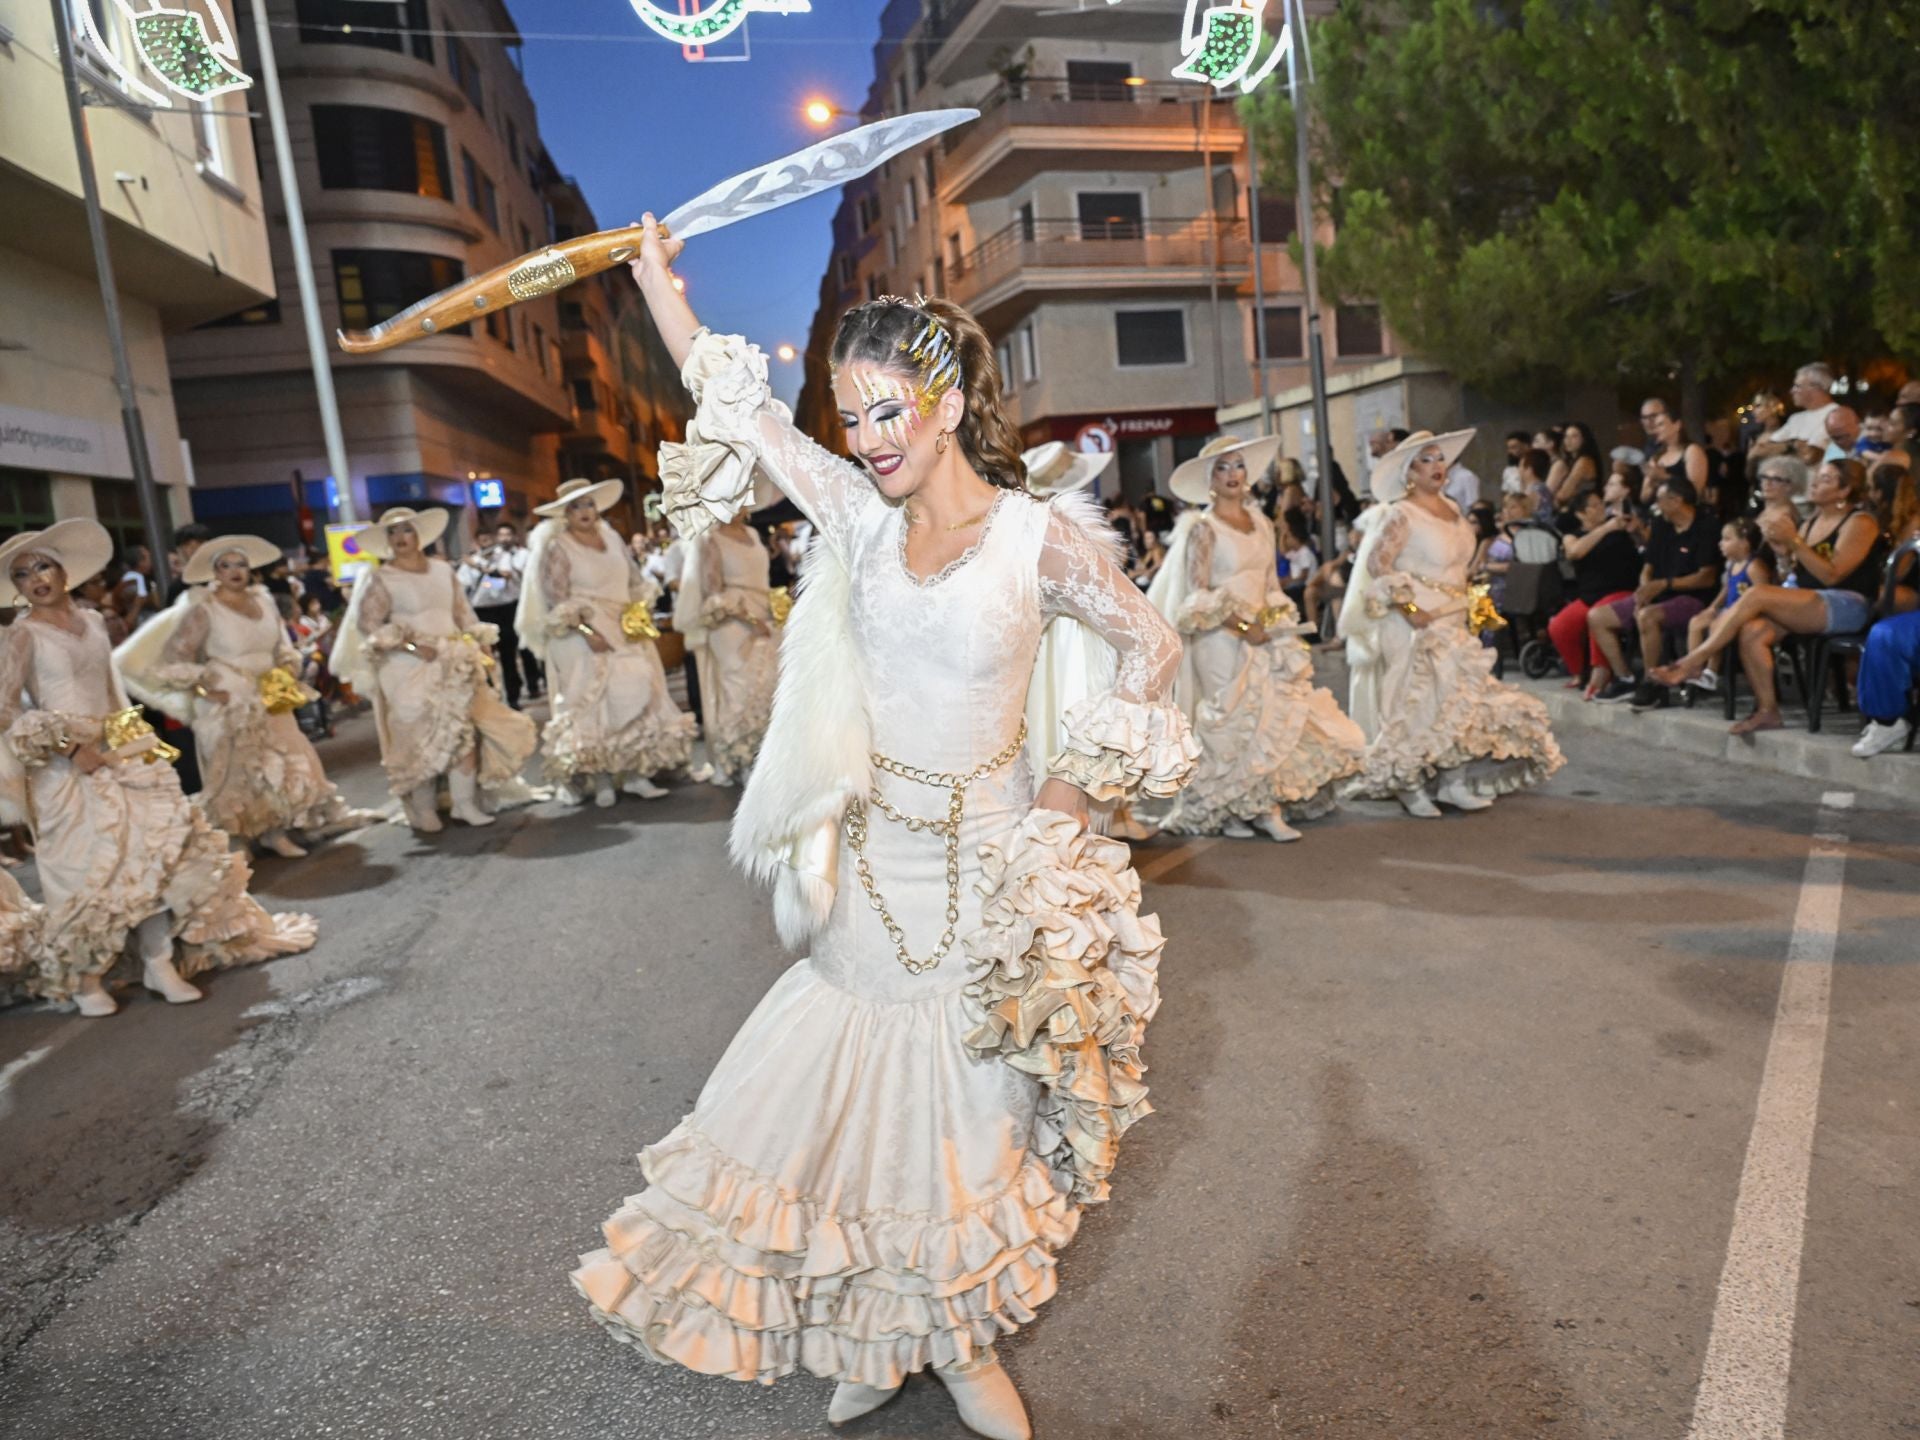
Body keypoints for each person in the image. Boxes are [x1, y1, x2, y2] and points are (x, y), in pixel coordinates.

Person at [568, 228, 1196, 1440]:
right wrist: (657, 286)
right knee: (863, 1116)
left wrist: (1070, 795)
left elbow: (1151, 644)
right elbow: (746, 418)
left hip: (994, 874)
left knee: (960, 1124)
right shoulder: (855, 517)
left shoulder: (1035, 536)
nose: (865, 436)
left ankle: (952, 1344)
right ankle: (888, 1338)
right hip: (871, 874)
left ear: (948, 403)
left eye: (886, 408)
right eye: (851, 414)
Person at [0, 520, 317, 1017]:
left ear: (64, 570)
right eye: (22, 573)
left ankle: (158, 961)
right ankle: (86, 980)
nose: (35, 578)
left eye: (43, 565)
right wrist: (67, 748)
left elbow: (111, 694)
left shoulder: (94, 621)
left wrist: (137, 745)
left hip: (120, 756)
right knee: (88, 875)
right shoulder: (21, 635)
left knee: (156, 859)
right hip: (66, 773)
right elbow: (7, 711)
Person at [1149, 436, 1364, 841]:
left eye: (1239, 466)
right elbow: (1196, 595)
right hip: (1219, 637)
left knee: (1268, 721)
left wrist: (1278, 618)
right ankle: (1230, 810)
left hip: (1263, 635)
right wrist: (1243, 627)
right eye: (1223, 468)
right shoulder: (1202, 529)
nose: (1233, 475)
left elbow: (1270, 582)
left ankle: (1264, 808)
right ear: (1210, 479)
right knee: (1229, 724)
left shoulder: (1263, 523)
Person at [1339, 430, 1563, 817]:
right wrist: (1410, 611)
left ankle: (1452, 780)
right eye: (1426, 460)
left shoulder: (1454, 508)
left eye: (1439, 458)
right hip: (1411, 622)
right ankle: (1409, 784)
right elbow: (1378, 565)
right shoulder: (1400, 513)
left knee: (1456, 699)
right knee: (1414, 700)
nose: (1437, 466)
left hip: (1452, 615)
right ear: (1409, 471)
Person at [116, 534, 373, 858]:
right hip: (229, 699)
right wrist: (204, 687)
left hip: (268, 694)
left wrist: (287, 666)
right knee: (237, 771)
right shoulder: (203, 609)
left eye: (241, 564)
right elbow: (174, 659)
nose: (235, 571)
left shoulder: (264, 602)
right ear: (215, 572)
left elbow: (281, 645)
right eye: (225, 566)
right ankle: (239, 837)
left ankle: (275, 831)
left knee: (281, 761)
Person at [332, 508, 538, 832]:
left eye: (407, 531)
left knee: (462, 731)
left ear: (419, 536)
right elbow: (369, 624)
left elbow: (462, 612)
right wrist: (412, 646)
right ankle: (425, 808)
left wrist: (480, 644)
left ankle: (463, 803)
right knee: (419, 734)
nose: (401, 538)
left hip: (451, 660)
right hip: (404, 666)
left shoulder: (443, 570)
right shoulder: (381, 577)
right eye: (393, 533)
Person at [1650, 459, 1884, 733]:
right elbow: (1794, 576)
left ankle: (1692, 662)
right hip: (1809, 600)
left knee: (1758, 593)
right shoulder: (1810, 523)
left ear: (1845, 491)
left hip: (1848, 603)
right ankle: (1767, 710)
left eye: (1826, 479)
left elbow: (1832, 575)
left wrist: (1794, 541)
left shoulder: (1860, 522)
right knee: (1753, 630)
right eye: (1817, 477)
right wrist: (1784, 555)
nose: (1816, 483)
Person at [519, 479, 694, 807]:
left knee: (637, 691)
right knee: (593, 701)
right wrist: (587, 632)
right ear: (565, 515)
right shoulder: (559, 546)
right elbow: (556, 598)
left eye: (588, 504)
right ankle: (601, 780)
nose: (584, 512)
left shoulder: (613, 538)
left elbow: (634, 581)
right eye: (574, 506)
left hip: (621, 625)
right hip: (581, 631)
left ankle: (634, 774)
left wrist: (636, 616)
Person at [1587, 475, 1720, 705]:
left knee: (1648, 617)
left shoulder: (1706, 526)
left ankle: (1654, 684)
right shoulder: (1661, 525)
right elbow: (1649, 565)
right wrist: (1644, 587)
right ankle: (1625, 678)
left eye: (1660, 500)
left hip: (1693, 597)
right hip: (1658, 593)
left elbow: (1706, 577)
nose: (1656, 506)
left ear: (1677, 500)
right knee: (1597, 617)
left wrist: (1664, 585)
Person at [676, 489, 779, 787]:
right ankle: (741, 760)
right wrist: (749, 619)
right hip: (731, 625)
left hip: (764, 620)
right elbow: (713, 595)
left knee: (767, 689)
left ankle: (764, 757)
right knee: (739, 692)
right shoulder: (710, 538)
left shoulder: (753, 534)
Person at [1549, 486, 1644, 693]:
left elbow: (1642, 548)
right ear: (1581, 513)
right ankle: (1578, 672)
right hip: (1589, 595)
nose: (1602, 507)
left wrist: (1635, 530)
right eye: (1594, 505)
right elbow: (1574, 552)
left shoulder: (1618, 530)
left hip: (1620, 591)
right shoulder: (1574, 536)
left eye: (1601, 503)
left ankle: (1601, 673)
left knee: (1597, 618)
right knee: (1559, 626)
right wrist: (1606, 529)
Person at [1673, 519, 1775, 695]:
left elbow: (1765, 597)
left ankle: (1711, 672)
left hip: (1747, 616)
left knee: (1717, 624)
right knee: (1697, 622)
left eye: (1727, 539)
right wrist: (1712, 607)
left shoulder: (1754, 567)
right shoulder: (1732, 565)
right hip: (1728, 610)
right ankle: (1695, 668)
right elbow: (1726, 589)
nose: (1720, 544)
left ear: (1744, 543)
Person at [457, 521, 535, 708]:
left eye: (488, 539)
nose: (486, 543)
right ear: (477, 542)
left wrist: (481, 568)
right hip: (483, 612)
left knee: (509, 655)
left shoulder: (503, 557)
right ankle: (492, 694)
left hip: (506, 609)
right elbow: (462, 586)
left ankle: (514, 695)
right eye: (482, 540)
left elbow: (503, 577)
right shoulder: (470, 562)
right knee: (486, 657)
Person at [1746, 363, 1838, 472]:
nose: (1792, 391)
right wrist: (1792, 446)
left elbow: (1811, 456)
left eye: (1797, 386)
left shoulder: (1837, 417)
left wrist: (1784, 447)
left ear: (1816, 388)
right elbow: (1760, 450)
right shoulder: (1795, 419)